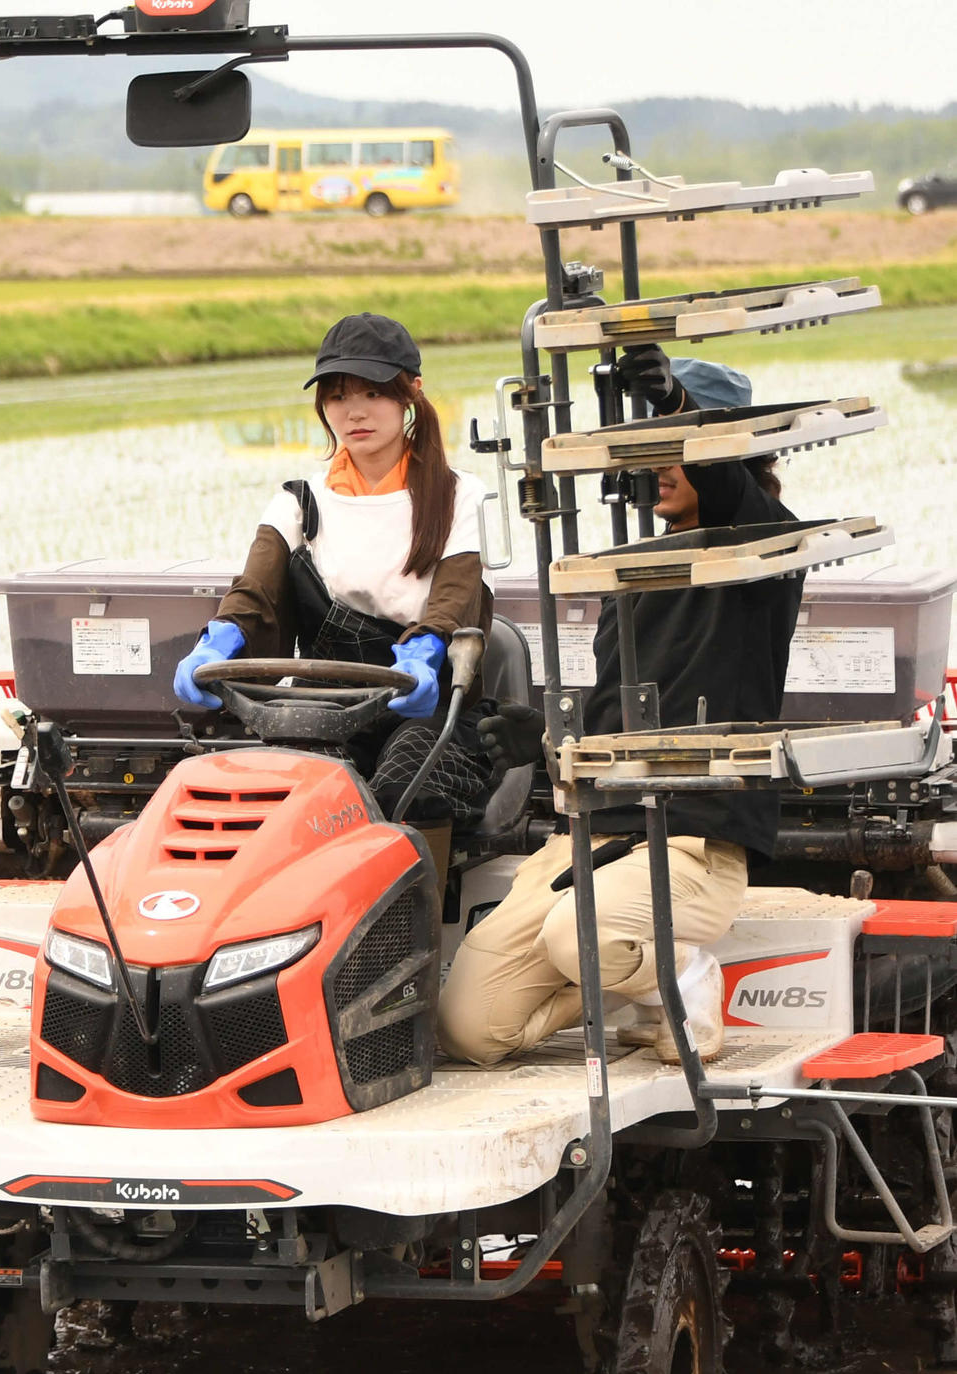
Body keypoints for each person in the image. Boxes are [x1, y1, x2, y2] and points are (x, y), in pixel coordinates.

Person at [438, 346, 804, 1066]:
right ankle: (638, 983)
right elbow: (619, 714)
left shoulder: (762, 547)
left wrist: (672, 405)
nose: (659, 465)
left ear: (732, 453)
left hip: (691, 845)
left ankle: (683, 976)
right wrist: (549, 736)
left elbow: (725, 485)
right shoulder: (632, 576)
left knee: (578, 932)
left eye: (676, 448)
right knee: (468, 1027)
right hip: (595, 841)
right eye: (647, 449)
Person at [172, 312, 496, 861]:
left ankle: (416, 911)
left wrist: (424, 652)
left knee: (409, 783)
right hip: (325, 702)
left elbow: (455, 596)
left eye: (373, 392)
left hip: (428, 702)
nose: (354, 411)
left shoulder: (460, 494)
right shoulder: (300, 501)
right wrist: (217, 642)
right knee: (291, 797)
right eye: (338, 395)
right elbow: (254, 590)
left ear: (412, 392)